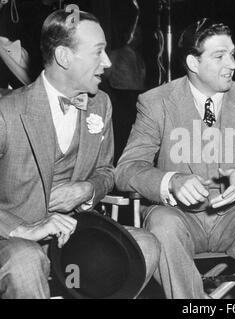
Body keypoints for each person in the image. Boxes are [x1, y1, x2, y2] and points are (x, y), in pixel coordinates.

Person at [115, 18, 235, 299]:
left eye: (233, 54)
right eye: (219, 56)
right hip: (180, 216)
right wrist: (172, 181)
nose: (232, 64)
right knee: (162, 223)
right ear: (193, 62)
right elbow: (127, 169)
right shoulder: (156, 103)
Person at [0, 9, 160, 299]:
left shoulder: (102, 105)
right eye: (98, 52)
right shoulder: (6, 112)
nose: (108, 62)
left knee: (145, 245)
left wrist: (87, 190)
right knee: (25, 261)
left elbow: (106, 172)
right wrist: (23, 229)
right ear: (64, 57)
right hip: (11, 238)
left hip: (74, 235)